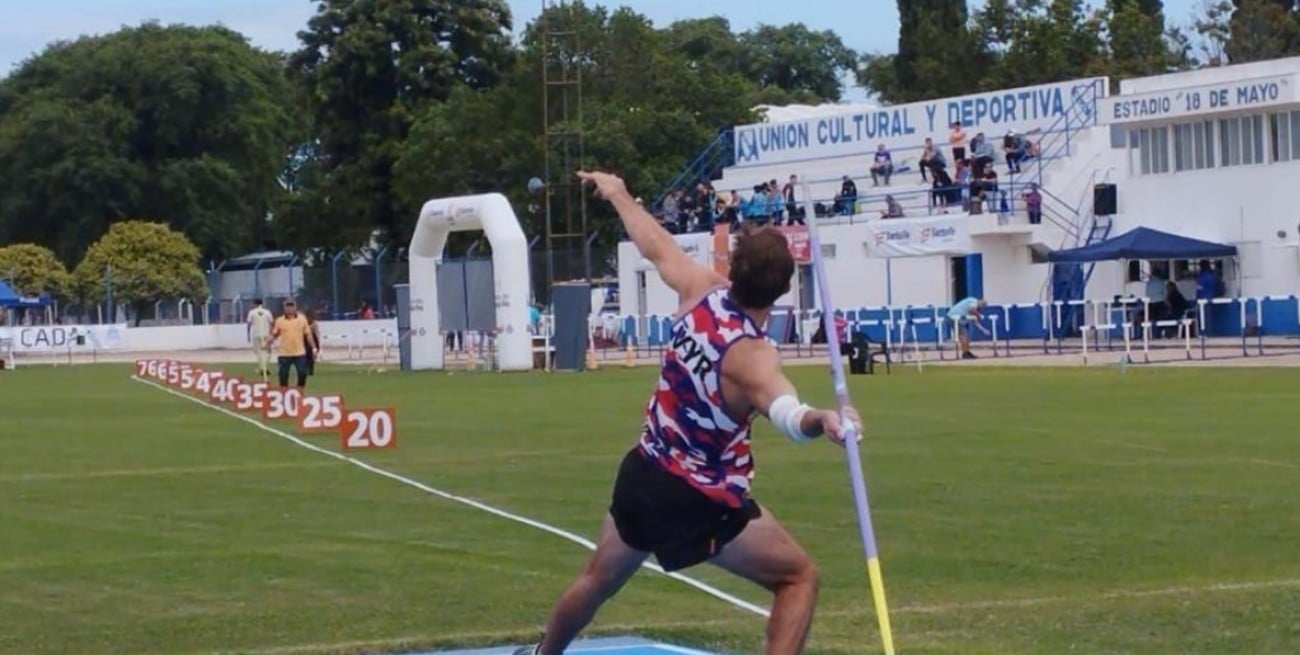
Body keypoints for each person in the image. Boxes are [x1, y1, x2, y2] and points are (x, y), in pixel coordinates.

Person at [514, 170, 863, 655]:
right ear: (783, 289)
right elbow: (787, 412)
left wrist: (619, 193)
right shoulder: (754, 356)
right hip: (695, 498)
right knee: (798, 577)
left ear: (734, 268)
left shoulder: (702, 290)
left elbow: (655, 244)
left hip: (643, 470)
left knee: (597, 579)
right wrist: (822, 419)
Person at [269, 299, 315, 389]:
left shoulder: (302, 319)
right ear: (284, 308)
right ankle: (284, 392)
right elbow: (275, 334)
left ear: (295, 307)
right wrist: (267, 343)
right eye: (287, 306)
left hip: (299, 353)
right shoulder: (280, 320)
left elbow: (308, 334)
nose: (290, 308)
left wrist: (314, 347)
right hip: (284, 353)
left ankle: (300, 389)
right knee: (283, 375)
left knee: (302, 373)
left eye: (291, 306)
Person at [246, 299, 275, 379]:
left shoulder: (251, 312)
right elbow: (272, 323)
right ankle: (264, 368)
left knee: (259, 352)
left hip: (256, 334)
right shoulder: (267, 312)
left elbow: (249, 324)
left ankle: (262, 368)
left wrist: (248, 335)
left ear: (255, 304)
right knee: (268, 352)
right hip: (266, 334)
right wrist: (271, 333)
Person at [303, 308, 322, 376]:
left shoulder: (315, 324)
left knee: (311, 356)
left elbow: (317, 333)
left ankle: (310, 369)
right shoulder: (303, 323)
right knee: (305, 355)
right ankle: (305, 368)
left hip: (313, 340)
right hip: (305, 340)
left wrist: (318, 343)